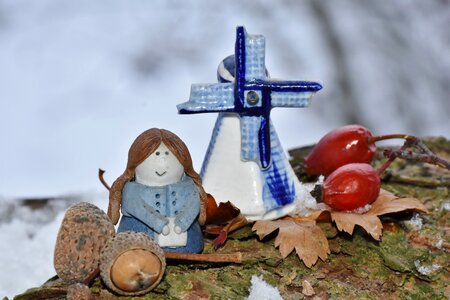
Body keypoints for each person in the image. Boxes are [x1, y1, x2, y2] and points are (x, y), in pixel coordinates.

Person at [108, 128, 206, 253]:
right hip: (138, 241)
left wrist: (183, 222)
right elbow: (139, 208)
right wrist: (158, 223)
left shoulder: (190, 188)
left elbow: (193, 205)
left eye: (167, 154)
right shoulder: (131, 191)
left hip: (189, 240)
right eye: (157, 154)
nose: (162, 161)